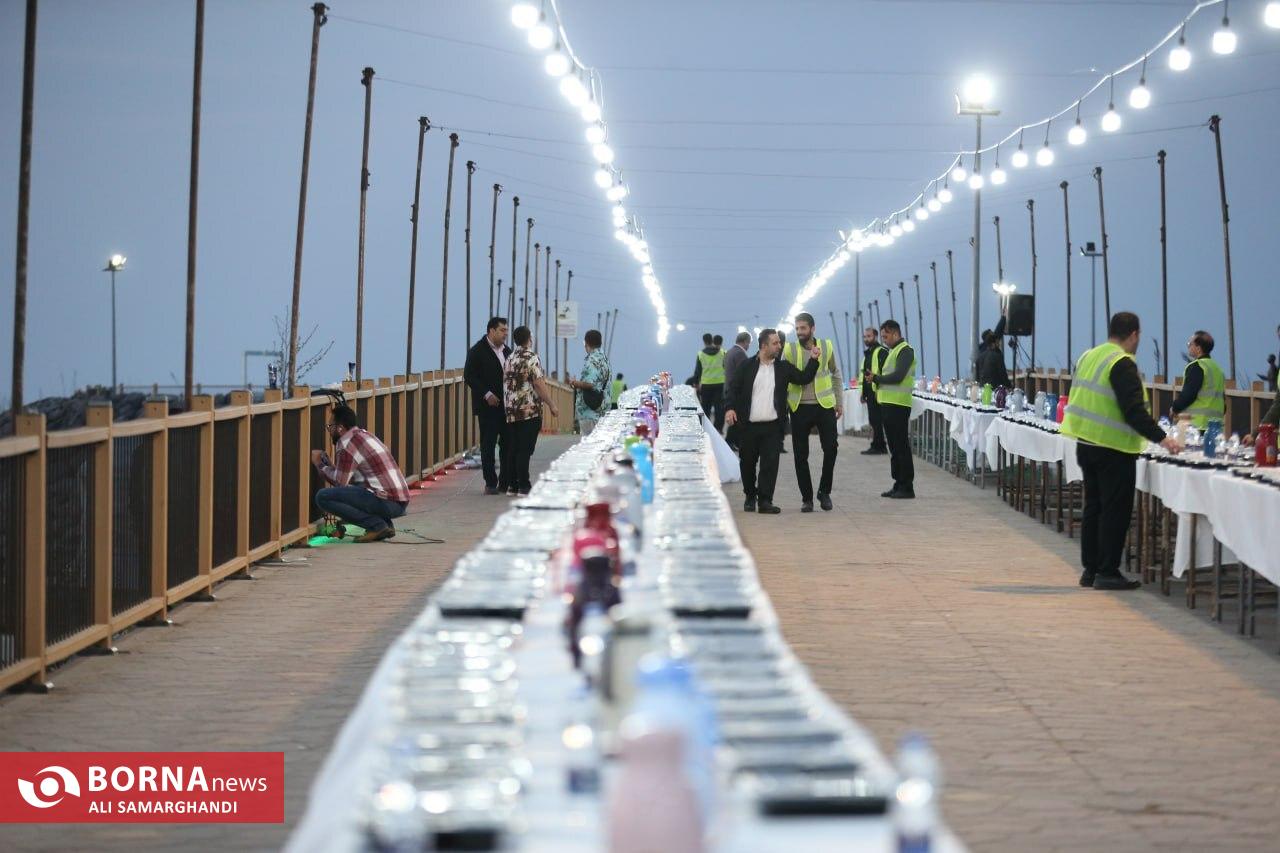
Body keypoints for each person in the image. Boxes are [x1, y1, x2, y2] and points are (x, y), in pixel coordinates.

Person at [1061, 312, 1183, 591]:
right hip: (1112, 447)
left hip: (1086, 442)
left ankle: (1091, 569)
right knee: (1114, 511)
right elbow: (1133, 411)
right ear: (1134, 334)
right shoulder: (1121, 362)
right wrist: (1164, 439)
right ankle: (1108, 571)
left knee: (1094, 507)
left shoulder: (1089, 356)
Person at [724, 329, 821, 514]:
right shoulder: (746, 366)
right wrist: (730, 408)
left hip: (773, 426)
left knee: (770, 465)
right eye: (775, 343)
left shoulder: (783, 368)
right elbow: (733, 389)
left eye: (779, 343)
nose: (779, 346)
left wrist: (814, 360)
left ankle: (765, 501)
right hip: (748, 426)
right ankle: (750, 496)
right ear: (764, 345)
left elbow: (803, 378)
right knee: (747, 464)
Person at [312, 405, 411, 542]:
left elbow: (340, 483)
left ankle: (377, 526)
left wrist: (319, 464)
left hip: (387, 502)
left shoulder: (347, 445)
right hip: (398, 501)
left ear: (340, 428)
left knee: (322, 497)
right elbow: (354, 479)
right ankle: (386, 525)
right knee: (357, 491)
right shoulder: (363, 435)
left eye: (330, 426)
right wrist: (332, 467)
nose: (329, 431)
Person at [782, 312, 844, 512]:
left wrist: (839, 402)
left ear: (812, 328)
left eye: (803, 328)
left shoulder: (826, 346)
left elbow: (835, 373)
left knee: (831, 448)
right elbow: (783, 378)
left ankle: (824, 492)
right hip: (799, 407)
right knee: (801, 455)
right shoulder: (789, 349)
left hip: (824, 405)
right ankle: (807, 498)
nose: (799, 332)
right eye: (797, 328)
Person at [503, 325, 559, 496]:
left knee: (513, 448)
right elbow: (538, 383)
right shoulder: (531, 357)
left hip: (511, 410)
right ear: (529, 339)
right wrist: (551, 404)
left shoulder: (510, 358)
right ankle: (524, 485)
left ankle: (512, 485)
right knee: (524, 449)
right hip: (528, 410)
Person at [866, 320, 916, 499]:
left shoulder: (905, 350)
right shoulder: (893, 351)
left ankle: (907, 486)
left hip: (899, 405)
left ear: (895, 333)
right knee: (894, 448)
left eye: (886, 336)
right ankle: (898, 483)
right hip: (888, 404)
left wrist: (877, 378)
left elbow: (898, 376)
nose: (884, 340)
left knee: (901, 446)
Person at [464, 316, 511, 495]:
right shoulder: (477, 351)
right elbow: (469, 376)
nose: (505, 334)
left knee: (507, 444)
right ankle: (490, 482)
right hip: (487, 407)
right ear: (491, 330)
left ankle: (505, 481)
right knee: (488, 444)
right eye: (502, 330)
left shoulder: (507, 351)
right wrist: (487, 394)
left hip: (506, 407)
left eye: (506, 331)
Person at [1169, 330, 1225, 428]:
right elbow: (1223, 403)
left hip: (1196, 425)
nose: (1188, 346)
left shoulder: (1197, 366)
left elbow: (1189, 394)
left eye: (1190, 344)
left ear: (1198, 349)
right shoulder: (1218, 369)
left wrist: (1175, 408)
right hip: (1215, 427)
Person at [568, 329, 611, 435]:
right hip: (601, 409)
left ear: (586, 343)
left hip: (590, 412)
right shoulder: (604, 359)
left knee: (588, 442)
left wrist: (574, 382)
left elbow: (589, 383)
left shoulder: (592, 360)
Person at [860, 326, 889, 455]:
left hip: (878, 391)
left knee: (877, 420)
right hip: (870, 392)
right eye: (865, 337)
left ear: (875, 337)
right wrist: (863, 393)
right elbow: (865, 375)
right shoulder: (868, 354)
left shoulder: (881, 351)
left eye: (869, 336)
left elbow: (885, 372)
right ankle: (878, 444)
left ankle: (879, 446)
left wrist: (879, 390)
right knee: (873, 419)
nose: (866, 339)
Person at [722, 331, 753, 450]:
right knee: (738, 418)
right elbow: (743, 373)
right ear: (745, 341)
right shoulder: (740, 353)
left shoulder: (729, 352)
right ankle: (731, 441)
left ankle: (733, 442)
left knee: (735, 417)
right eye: (749, 343)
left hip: (728, 388)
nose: (749, 345)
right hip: (736, 390)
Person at [692, 332, 727, 432]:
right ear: (712, 340)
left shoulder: (701, 354)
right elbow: (726, 367)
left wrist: (696, 383)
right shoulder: (723, 353)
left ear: (704, 341)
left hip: (706, 384)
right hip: (720, 383)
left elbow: (698, 370)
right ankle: (718, 429)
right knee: (719, 408)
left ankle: (705, 428)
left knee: (705, 408)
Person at [975, 313, 1011, 388]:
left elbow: (977, 377)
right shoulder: (997, 355)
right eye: (997, 342)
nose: (999, 343)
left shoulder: (980, 356)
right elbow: (1002, 373)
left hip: (984, 389)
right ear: (993, 343)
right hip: (994, 389)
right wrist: (1009, 386)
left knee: (986, 397)